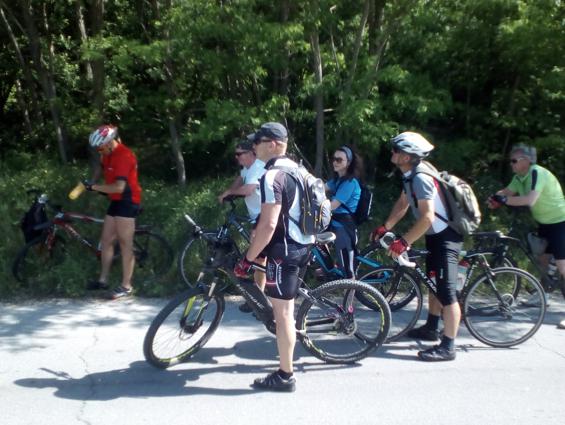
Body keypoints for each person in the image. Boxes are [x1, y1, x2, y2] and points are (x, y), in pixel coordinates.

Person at [233, 122, 314, 392]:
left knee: (284, 315)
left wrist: (248, 259)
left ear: (273, 144)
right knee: (285, 311)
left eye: (257, 142)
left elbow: (268, 225)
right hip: (302, 245)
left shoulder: (272, 176)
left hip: (284, 251)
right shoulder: (298, 169)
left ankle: (285, 375)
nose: (253, 147)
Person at [370, 131, 463, 361]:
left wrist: (404, 242)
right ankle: (431, 327)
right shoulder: (410, 175)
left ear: (407, 156)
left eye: (396, 150)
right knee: (433, 284)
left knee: (447, 293)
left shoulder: (420, 178)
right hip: (435, 236)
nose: (392, 152)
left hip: (447, 237)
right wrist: (385, 226)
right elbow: (403, 203)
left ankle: (448, 346)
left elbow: (428, 217)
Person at [488, 144, 565, 329]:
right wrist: (494, 198)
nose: (511, 164)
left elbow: (530, 200)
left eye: (514, 160)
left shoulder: (536, 172)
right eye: (511, 161)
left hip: (561, 221)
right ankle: (543, 296)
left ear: (527, 161)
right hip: (545, 223)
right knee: (543, 261)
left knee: (563, 267)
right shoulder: (519, 177)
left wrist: (504, 200)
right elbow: (506, 192)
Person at [84, 125, 142, 300]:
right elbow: (100, 168)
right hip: (115, 200)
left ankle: (126, 286)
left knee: (125, 243)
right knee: (106, 240)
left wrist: (94, 187)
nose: (99, 150)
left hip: (128, 200)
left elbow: (119, 187)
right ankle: (103, 281)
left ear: (109, 143)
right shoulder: (106, 153)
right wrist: (91, 181)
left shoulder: (124, 156)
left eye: (100, 147)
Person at [218, 140, 266, 312]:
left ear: (251, 153)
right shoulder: (247, 168)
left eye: (240, 154)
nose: (236, 157)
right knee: (260, 259)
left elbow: (249, 189)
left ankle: (262, 300)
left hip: (265, 218)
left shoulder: (258, 167)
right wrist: (229, 192)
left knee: (257, 259)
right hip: (257, 217)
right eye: (235, 154)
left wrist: (230, 192)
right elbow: (239, 180)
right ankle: (259, 299)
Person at [325, 146, 363, 278]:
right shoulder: (337, 180)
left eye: (339, 160)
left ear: (349, 163)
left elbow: (332, 206)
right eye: (334, 159)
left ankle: (351, 290)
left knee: (347, 270)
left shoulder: (350, 183)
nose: (335, 162)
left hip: (344, 228)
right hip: (335, 225)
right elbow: (320, 188)